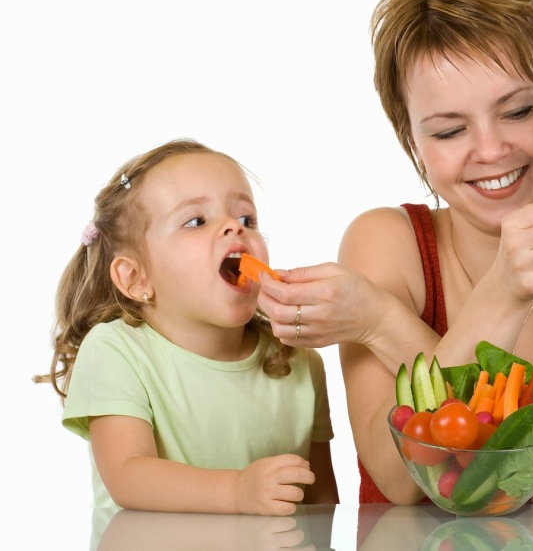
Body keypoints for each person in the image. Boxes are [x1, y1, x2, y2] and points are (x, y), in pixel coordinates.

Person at [256, 0, 533, 506]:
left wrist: (383, 323)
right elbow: (401, 480)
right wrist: (497, 295)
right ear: (412, 140)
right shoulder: (384, 242)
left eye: (516, 112)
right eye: (449, 130)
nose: (490, 150)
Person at [34, 138, 339, 515]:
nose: (234, 228)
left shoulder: (299, 359)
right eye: (196, 221)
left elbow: (321, 501)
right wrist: (236, 491)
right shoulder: (115, 350)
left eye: (247, 219)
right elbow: (128, 477)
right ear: (135, 278)